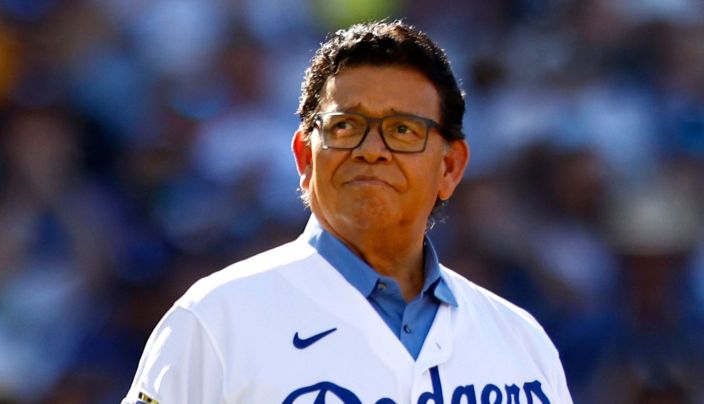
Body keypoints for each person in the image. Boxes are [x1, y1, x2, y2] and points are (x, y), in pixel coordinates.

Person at [122, 20, 573, 404]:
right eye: (345, 126)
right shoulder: (213, 320)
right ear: (304, 157)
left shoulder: (520, 341)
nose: (372, 150)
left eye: (402, 129)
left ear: (450, 167)